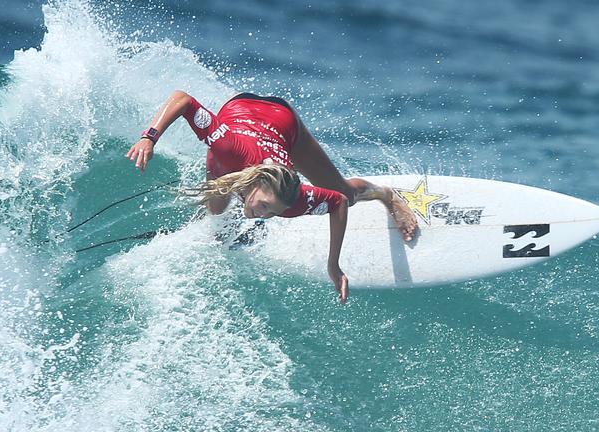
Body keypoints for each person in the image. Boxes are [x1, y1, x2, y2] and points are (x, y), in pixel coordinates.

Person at [126, 91, 418, 303]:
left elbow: (337, 203)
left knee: (345, 191)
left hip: (283, 125)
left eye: (272, 212)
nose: (264, 215)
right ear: (254, 186)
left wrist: (333, 265)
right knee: (216, 206)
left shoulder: (294, 201)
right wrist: (149, 137)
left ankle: (386, 195)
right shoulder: (228, 148)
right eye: (263, 206)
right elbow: (184, 100)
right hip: (246, 110)